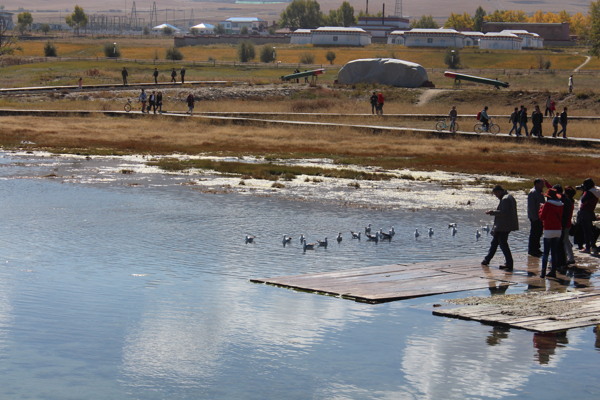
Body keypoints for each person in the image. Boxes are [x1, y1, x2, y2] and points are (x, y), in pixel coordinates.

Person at [481, 185, 519, 271]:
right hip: (505, 225)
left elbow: (504, 213)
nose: (496, 196)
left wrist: (492, 212)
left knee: (503, 244)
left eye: (496, 194)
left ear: (499, 191)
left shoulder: (505, 199)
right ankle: (487, 260)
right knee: (495, 242)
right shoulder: (509, 197)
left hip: (504, 225)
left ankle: (509, 263)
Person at [539, 187, 564, 278]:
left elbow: (542, 217)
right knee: (554, 252)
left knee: (546, 252)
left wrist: (541, 208)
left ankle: (543, 272)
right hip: (558, 229)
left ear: (548, 197)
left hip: (548, 229)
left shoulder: (547, 204)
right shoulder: (561, 204)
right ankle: (553, 271)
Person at [577, 178, 599, 254]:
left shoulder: (589, 192)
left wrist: (584, 191)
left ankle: (589, 247)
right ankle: (592, 247)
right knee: (588, 231)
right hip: (590, 212)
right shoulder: (596, 191)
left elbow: (583, 200)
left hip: (585, 213)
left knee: (587, 232)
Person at [528, 178, 547, 257]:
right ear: (536, 184)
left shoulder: (539, 192)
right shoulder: (533, 192)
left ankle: (536, 249)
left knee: (538, 233)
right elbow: (532, 207)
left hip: (539, 217)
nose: (543, 185)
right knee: (534, 234)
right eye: (541, 184)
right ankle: (533, 250)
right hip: (535, 217)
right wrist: (535, 218)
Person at [560, 185, 576, 265]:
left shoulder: (567, 202)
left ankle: (569, 258)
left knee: (565, 241)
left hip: (566, 224)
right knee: (566, 241)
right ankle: (569, 257)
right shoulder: (570, 201)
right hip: (568, 223)